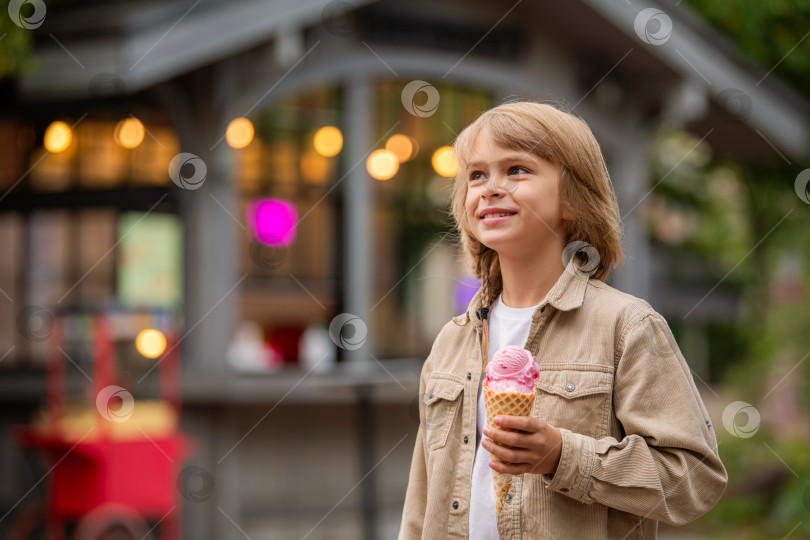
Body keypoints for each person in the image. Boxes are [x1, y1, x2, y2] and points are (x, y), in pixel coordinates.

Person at [398, 100, 727, 539]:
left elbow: (695, 480)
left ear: (572, 197)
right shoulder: (450, 341)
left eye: (517, 169)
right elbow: (420, 505)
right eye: (477, 174)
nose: (491, 187)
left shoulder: (625, 326)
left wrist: (564, 457)